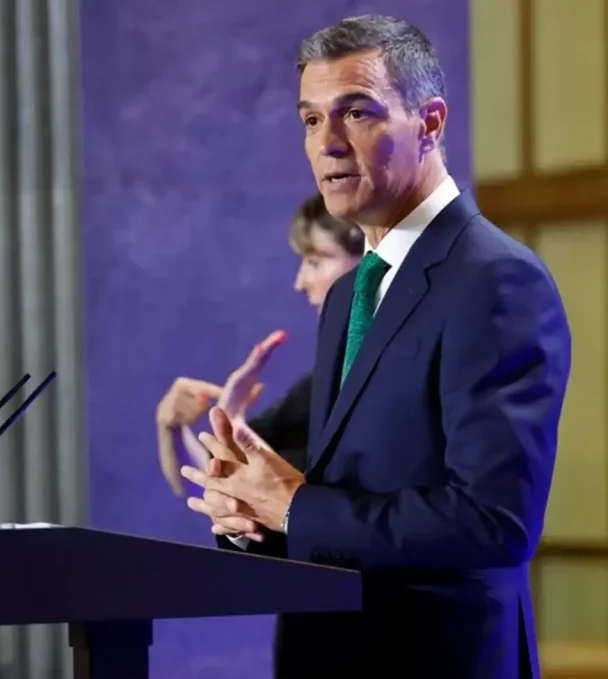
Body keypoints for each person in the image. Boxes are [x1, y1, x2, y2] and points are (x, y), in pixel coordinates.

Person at [181, 15, 571, 679]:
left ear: (431, 123)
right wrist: (255, 514)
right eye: (310, 119)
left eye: (356, 112)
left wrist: (295, 505)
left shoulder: (497, 280)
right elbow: (347, 500)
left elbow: (494, 522)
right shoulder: (348, 293)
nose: (326, 143)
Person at [156, 195, 364, 678]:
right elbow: (210, 484)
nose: (301, 281)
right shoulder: (315, 388)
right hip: (311, 634)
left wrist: (233, 428)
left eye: (316, 260)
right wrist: (179, 427)